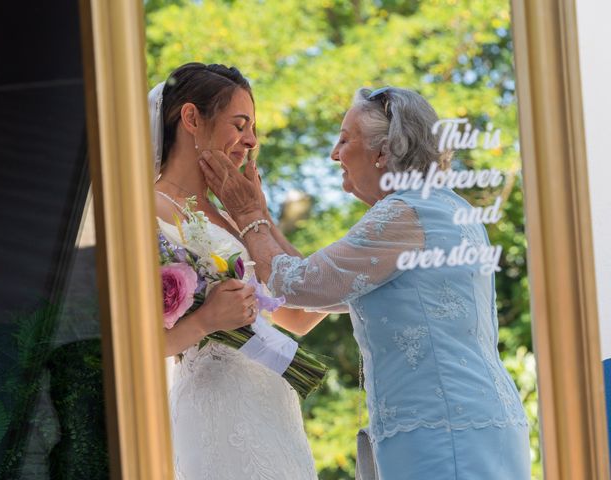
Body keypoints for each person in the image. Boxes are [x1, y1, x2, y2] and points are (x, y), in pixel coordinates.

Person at [199, 86, 531, 479]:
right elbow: (313, 290)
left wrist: (247, 212)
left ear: (383, 152)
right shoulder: (446, 206)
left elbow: (298, 286)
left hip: (441, 433)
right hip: (472, 423)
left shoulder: (404, 213)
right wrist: (262, 219)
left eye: (344, 140)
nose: (334, 155)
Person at [150, 62, 319, 480]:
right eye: (240, 124)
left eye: (253, 127)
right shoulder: (145, 212)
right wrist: (207, 320)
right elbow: (131, 347)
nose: (251, 141)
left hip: (274, 412)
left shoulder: (233, 217)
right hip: (215, 414)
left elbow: (301, 314)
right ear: (191, 118)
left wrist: (258, 216)